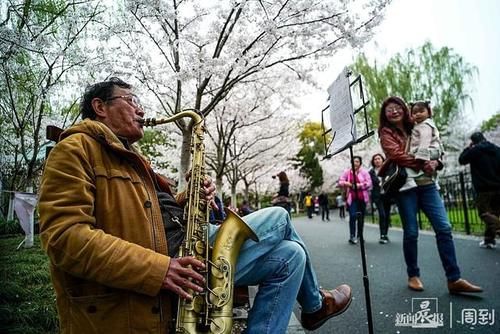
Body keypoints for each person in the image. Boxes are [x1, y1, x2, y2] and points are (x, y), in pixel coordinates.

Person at [38, 77, 352, 334]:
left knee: (291, 256)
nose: (141, 109)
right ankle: (314, 306)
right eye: (131, 100)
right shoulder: (74, 149)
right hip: (167, 264)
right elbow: (64, 238)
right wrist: (158, 270)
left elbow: (149, 216)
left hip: (188, 248)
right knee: (280, 217)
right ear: (100, 107)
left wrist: (189, 201)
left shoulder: (134, 160)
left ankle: (303, 311)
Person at [378, 96, 482, 294]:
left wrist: (436, 163)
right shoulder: (386, 133)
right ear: (385, 114)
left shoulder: (420, 125)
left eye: (397, 107)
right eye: (389, 109)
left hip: (427, 185)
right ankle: (413, 275)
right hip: (405, 187)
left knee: (444, 228)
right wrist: (423, 162)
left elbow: (437, 148)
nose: (394, 111)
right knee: (411, 232)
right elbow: (397, 155)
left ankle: (454, 278)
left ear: (404, 109)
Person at [459, 131, 500, 249]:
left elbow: (462, 160)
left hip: (483, 188)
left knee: (484, 213)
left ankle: (497, 229)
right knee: (494, 214)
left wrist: (468, 148)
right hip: (498, 187)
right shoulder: (496, 149)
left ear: (473, 141)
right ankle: (489, 240)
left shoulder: (475, 151)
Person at [400, 101, 444, 191]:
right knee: (428, 170)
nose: (418, 114)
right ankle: (435, 182)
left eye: (421, 111)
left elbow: (425, 140)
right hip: (431, 152)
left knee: (410, 170)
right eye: (414, 113)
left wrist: (421, 155)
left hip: (427, 151)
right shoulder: (420, 125)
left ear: (429, 112)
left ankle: (409, 182)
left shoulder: (425, 125)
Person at [338, 156, 372, 244]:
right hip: (351, 198)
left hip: (362, 198)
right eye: (353, 161)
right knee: (352, 216)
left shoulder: (364, 172)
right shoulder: (347, 172)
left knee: (361, 217)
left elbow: (369, 183)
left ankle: (360, 235)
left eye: (357, 161)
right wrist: (347, 183)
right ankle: (352, 235)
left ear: (360, 163)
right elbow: (340, 181)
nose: (355, 163)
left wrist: (360, 185)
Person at [369, 153, 392, 244]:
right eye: (375, 159)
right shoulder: (371, 172)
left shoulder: (388, 169)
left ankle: (385, 234)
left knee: (387, 215)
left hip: (387, 195)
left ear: (383, 159)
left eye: (379, 158)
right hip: (377, 196)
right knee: (382, 214)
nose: (377, 160)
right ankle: (382, 235)